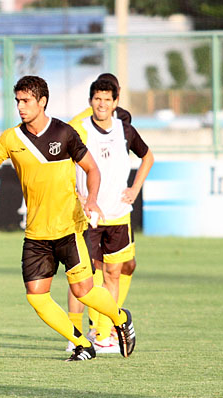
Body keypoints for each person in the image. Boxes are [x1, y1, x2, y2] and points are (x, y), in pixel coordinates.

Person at [0, 75, 136, 361]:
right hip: (36, 233)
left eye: (26, 101)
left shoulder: (64, 133)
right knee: (36, 296)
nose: (20, 107)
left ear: (42, 102)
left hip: (69, 228)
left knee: (83, 291)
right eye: (18, 101)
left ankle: (120, 318)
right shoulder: (11, 138)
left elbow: (92, 169)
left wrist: (92, 199)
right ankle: (82, 343)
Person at [65, 78, 154, 353]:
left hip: (118, 215)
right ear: (91, 101)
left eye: (107, 100)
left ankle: (103, 334)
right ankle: (74, 334)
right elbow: (63, 165)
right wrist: (78, 196)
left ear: (115, 102)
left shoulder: (124, 129)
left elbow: (147, 156)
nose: (102, 104)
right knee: (82, 277)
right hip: (88, 216)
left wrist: (135, 189)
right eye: (97, 99)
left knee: (114, 273)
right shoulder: (78, 129)